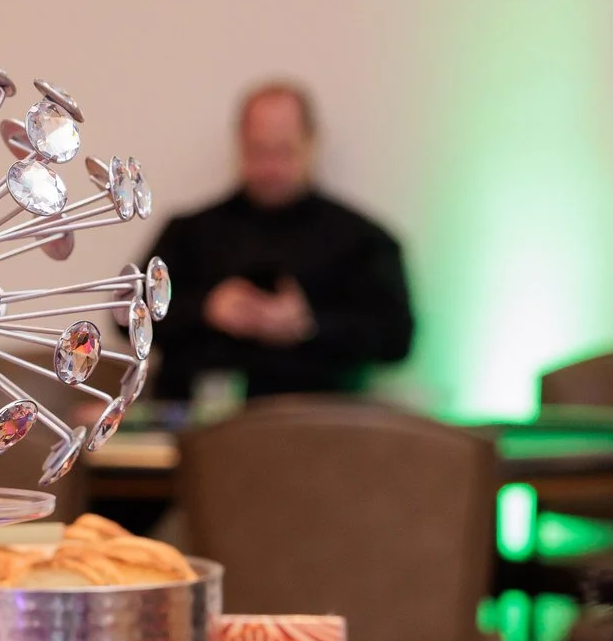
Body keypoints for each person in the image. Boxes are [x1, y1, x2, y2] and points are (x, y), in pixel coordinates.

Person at [147, 82, 415, 401]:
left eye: (284, 151)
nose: (271, 168)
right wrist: (207, 308)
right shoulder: (190, 232)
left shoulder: (361, 239)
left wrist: (309, 325)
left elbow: (398, 338)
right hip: (197, 423)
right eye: (259, 151)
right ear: (240, 145)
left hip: (320, 425)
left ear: (311, 144)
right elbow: (128, 316)